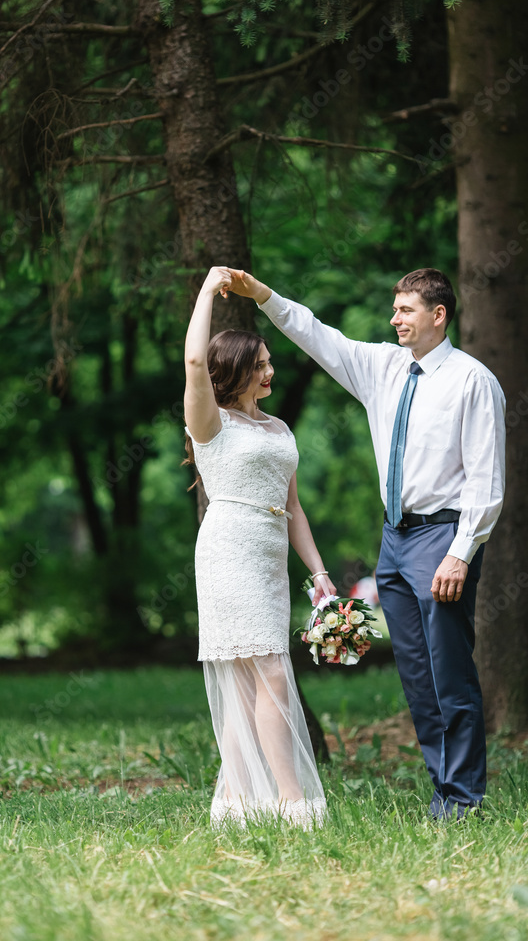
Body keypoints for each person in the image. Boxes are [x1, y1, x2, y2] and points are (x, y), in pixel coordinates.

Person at [226, 266, 506, 820]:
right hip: (394, 540)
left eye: (405, 309)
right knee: (417, 677)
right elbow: (315, 333)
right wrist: (262, 296)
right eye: (395, 308)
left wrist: (461, 551)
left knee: (450, 672)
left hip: (443, 535)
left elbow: (487, 479)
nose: (394, 318)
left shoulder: (472, 381)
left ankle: (464, 798)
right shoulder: (382, 367)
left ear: (438, 315)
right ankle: (442, 791)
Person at [184, 265, 336, 828]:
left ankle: (241, 804)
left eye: (270, 361)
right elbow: (194, 362)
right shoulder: (210, 423)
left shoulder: (279, 429)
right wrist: (207, 289)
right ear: (236, 370)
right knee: (267, 671)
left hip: (270, 556)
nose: (271, 369)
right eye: (262, 363)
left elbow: (293, 508)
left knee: (258, 675)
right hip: (227, 548)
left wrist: (317, 571)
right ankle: (292, 802)